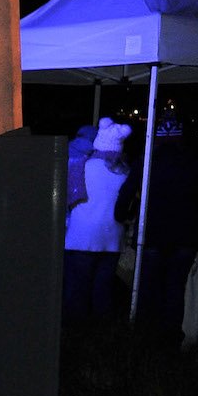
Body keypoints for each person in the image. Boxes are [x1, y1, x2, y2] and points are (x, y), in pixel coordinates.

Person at [64, 117, 131, 320]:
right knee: (103, 292)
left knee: (77, 292)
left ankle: (77, 336)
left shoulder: (79, 167)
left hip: (80, 239)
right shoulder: (126, 173)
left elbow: (66, 200)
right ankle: (102, 336)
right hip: (111, 240)